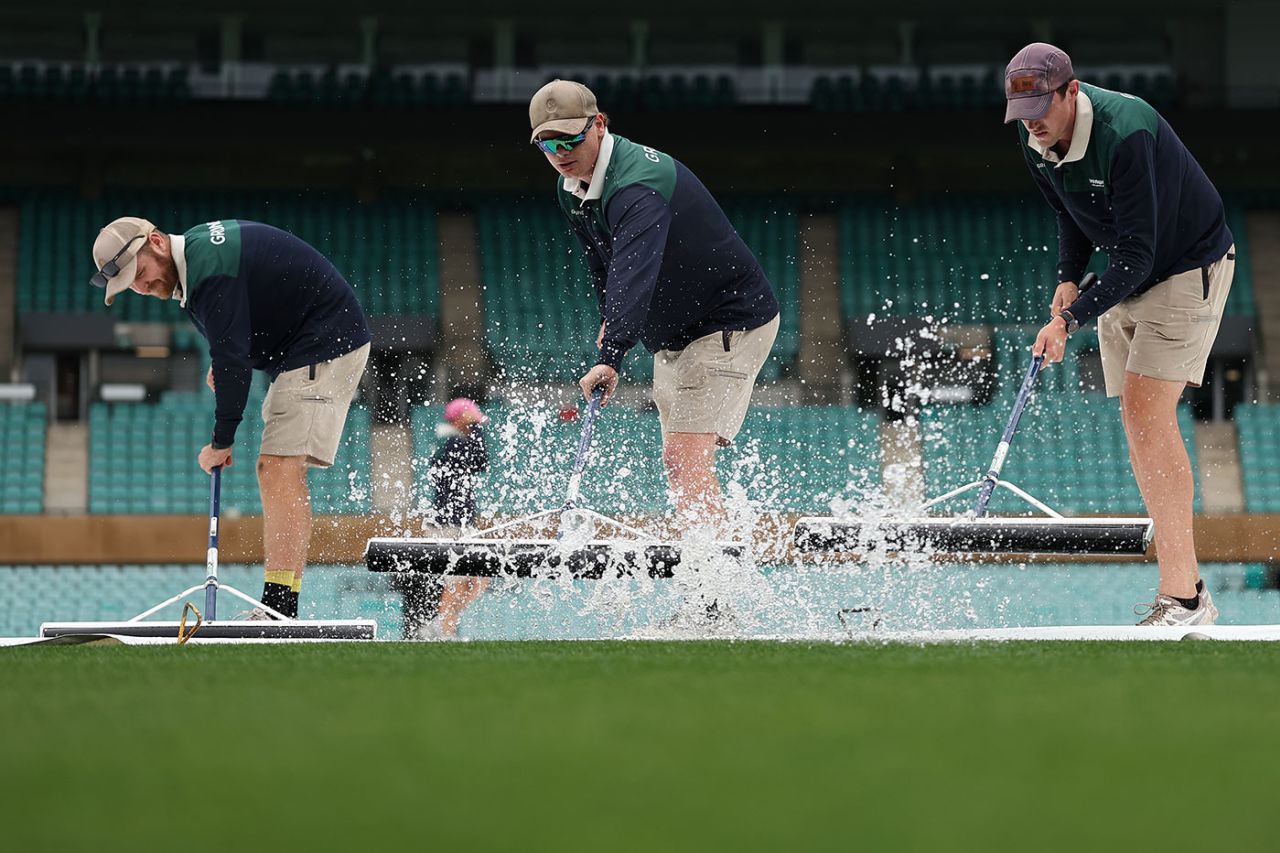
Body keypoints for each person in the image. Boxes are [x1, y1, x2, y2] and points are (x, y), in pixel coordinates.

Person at [1006, 43, 1235, 626]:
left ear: (1072, 91)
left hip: (1185, 267)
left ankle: (1184, 597)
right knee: (1137, 423)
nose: (1033, 119)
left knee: (1146, 413)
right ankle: (1183, 594)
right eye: (1022, 107)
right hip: (1130, 268)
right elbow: (1069, 212)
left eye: (1041, 104)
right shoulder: (1034, 140)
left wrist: (1068, 319)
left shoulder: (1125, 131)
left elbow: (1137, 254)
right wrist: (1066, 277)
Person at [529, 79, 780, 531]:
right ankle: (710, 579)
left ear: (600, 125)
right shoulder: (571, 187)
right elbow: (600, 261)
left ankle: (713, 593)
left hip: (727, 322)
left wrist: (611, 356)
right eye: (548, 142)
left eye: (571, 137)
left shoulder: (639, 185)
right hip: (675, 334)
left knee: (684, 460)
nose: (561, 151)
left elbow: (633, 268)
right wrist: (609, 316)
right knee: (683, 465)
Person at [91, 217, 371, 619]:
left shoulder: (208, 270)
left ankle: (278, 610)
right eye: (130, 285)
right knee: (277, 467)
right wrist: (225, 360)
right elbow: (233, 336)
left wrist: (221, 443)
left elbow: (233, 359)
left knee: (277, 467)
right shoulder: (196, 264)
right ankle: (281, 608)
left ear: (155, 242)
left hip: (324, 340)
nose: (141, 287)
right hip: (301, 345)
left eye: (139, 273)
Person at [397, 397, 490, 639]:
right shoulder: (455, 445)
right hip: (449, 526)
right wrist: (476, 427)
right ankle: (444, 629)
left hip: (458, 524)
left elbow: (479, 461)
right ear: (460, 420)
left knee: (477, 579)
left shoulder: (453, 444)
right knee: (456, 582)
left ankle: (441, 624)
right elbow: (482, 459)